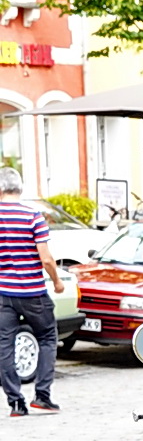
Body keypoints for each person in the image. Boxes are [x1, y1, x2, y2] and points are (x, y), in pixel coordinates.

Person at [0, 166, 66, 416]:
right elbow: (46, 258)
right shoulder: (33, 216)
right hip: (33, 292)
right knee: (48, 337)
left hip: (4, 294)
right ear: (20, 188)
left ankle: (16, 403)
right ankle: (42, 395)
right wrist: (57, 281)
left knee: (4, 345)